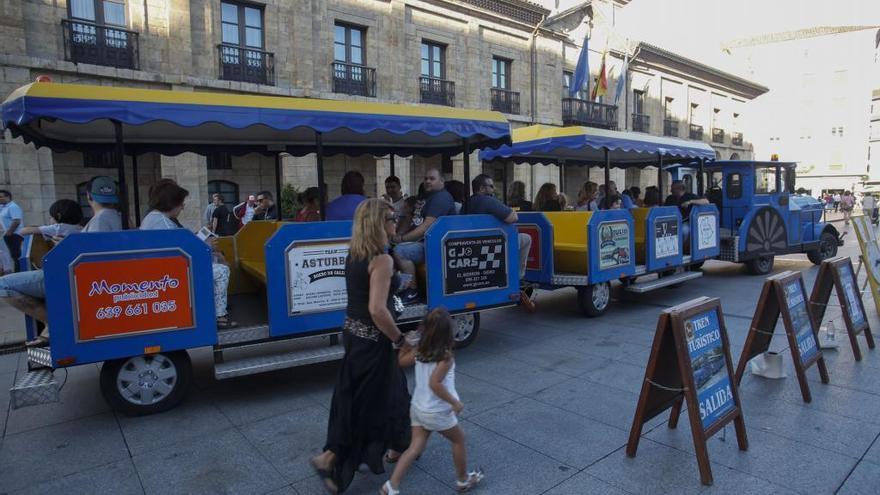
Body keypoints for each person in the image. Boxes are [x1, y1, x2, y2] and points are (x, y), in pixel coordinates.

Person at [311, 198, 411, 494]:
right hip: (372, 342)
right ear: (379, 223)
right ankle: (328, 459)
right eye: (392, 218)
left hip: (355, 336)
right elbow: (378, 310)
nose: (396, 222)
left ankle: (397, 444)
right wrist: (401, 339)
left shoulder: (355, 253)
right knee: (364, 406)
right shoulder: (382, 259)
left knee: (390, 392)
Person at [0, 177, 122, 347]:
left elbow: (92, 257)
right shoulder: (117, 217)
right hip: (89, 279)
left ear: (89, 196)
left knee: (3, 285)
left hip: (77, 280)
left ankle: (53, 323)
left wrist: (63, 247)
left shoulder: (100, 220)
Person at [381, 308, 484, 495]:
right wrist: (454, 402)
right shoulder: (445, 356)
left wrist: (406, 345)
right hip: (437, 411)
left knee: (414, 448)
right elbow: (435, 384)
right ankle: (462, 480)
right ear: (448, 332)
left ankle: (391, 486)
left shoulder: (420, 348)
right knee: (459, 440)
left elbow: (401, 362)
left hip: (418, 408)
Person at [141, 181, 237, 329]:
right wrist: (206, 245)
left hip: (162, 270)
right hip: (171, 275)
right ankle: (219, 316)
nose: (183, 207)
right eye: (180, 203)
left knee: (216, 260)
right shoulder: (164, 223)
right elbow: (183, 252)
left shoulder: (155, 218)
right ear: (171, 203)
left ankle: (213, 308)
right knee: (222, 271)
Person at [464, 174, 535, 312]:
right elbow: (513, 217)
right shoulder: (487, 201)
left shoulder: (468, 202)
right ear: (482, 188)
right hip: (492, 244)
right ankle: (518, 275)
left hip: (472, 243)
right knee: (526, 238)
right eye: (490, 186)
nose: (493, 188)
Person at [391, 168, 456, 303]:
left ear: (442, 181)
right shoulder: (424, 196)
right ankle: (397, 287)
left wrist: (402, 239)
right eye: (426, 178)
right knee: (390, 247)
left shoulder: (441, 198)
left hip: (435, 246)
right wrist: (398, 235)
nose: (427, 181)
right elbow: (410, 218)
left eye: (432, 179)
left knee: (399, 251)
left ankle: (411, 290)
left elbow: (426, 226)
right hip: (422, 242)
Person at [19, 199, 83, 242]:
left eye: (51, 216)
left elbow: (23, 231)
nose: (50, 219)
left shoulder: (58, 228)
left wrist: (39, 227)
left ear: (58, 216)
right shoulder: (80, 228)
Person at [0, 190, 24, 268]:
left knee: (16, 255)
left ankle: (19, 273)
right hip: (9, 234)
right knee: (12, 255)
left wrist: (10, 232)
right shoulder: (4, 207)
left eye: (1, 197)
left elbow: (16, 221)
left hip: (15, 235)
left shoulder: (13, 207)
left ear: (8, 197)